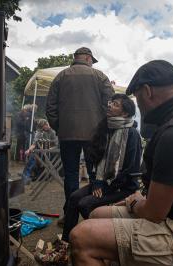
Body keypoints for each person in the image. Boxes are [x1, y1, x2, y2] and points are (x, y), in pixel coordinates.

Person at [69, 60, 173, 265]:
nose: (138, 105)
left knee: (82, 237)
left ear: (147, 91)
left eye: (137, 98)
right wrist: (139, 201)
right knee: (96, 213)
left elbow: (154, 213)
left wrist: (134, 202)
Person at [46, 47, 115, 225]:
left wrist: (60, 128)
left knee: (70, 175)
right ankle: (92, 214)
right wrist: (103, 129)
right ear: (87, 58)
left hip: (67, 135)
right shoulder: (100, 77)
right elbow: (111, 105)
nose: (92, 63)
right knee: (95, 175)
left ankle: (70, 216)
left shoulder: (61, 76)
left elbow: (50, 108)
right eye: (91, 60)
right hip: (94, 135)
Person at [62, 94, 142, 242]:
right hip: (102, 182)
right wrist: (95, 182)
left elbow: (131, 169)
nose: (110, 105)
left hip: (123, 186)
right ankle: (66, 242)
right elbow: (92, 158)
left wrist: (107, 187)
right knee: (74, 198)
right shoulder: (104, 128)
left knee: (85, 204)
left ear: (125, 113)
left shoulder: (132, 134)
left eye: (116, 104)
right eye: (110, 102)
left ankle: (97, 240)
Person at [21, 119, 58, 184]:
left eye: (45, 126)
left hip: (52, 152)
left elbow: (57, 145)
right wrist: (29, 150)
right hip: (41, 152)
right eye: (43, 127)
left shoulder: (53, 132)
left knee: (37, 156)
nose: (45, 127)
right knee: (32, 156)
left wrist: (49, 149)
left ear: (47, 124)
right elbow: (34, 144)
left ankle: (32, 175)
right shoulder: (39, 132)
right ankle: (26, 177)